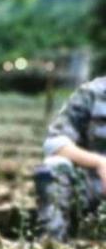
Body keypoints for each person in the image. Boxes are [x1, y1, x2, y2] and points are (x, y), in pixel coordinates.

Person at [35, 77, 106, 240]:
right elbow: (55, 143)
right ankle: (53, 244)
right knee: (53, 166)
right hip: (92, 184)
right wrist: (99, 163)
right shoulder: (92, 93)